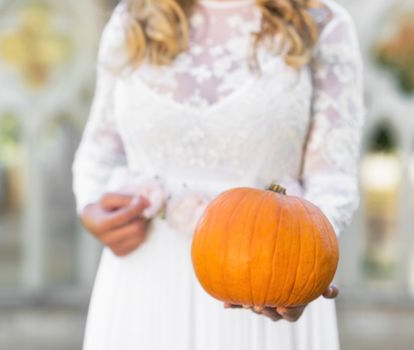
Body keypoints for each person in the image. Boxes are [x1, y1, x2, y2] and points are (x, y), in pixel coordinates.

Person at [72, 0, 364, 348]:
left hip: (268, 273)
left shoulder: (321, 23)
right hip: (144, 280)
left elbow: (333, 175)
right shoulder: (134, 18)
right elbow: (99, 150)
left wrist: (305, 266)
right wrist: (91, 207)